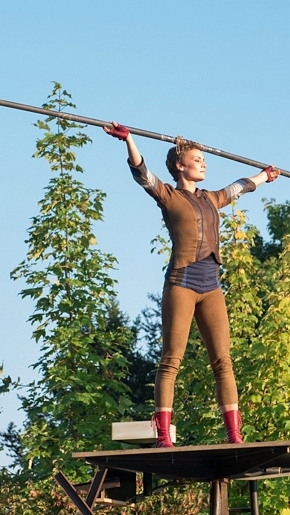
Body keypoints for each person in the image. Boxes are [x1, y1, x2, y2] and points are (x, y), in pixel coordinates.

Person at [104, 121, 280, 447]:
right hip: (182, 283)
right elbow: (143, 173)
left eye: (203, 159)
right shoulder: (168, 196)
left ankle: (234, 436)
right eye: (199, 159)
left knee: (223, 361)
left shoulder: (212, 198)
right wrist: (128, 140)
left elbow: (239, 186)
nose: (204, 163)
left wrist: (264, 177)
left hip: (211, 285)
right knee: (172, 359)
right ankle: (163, 437)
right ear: (180, 166)